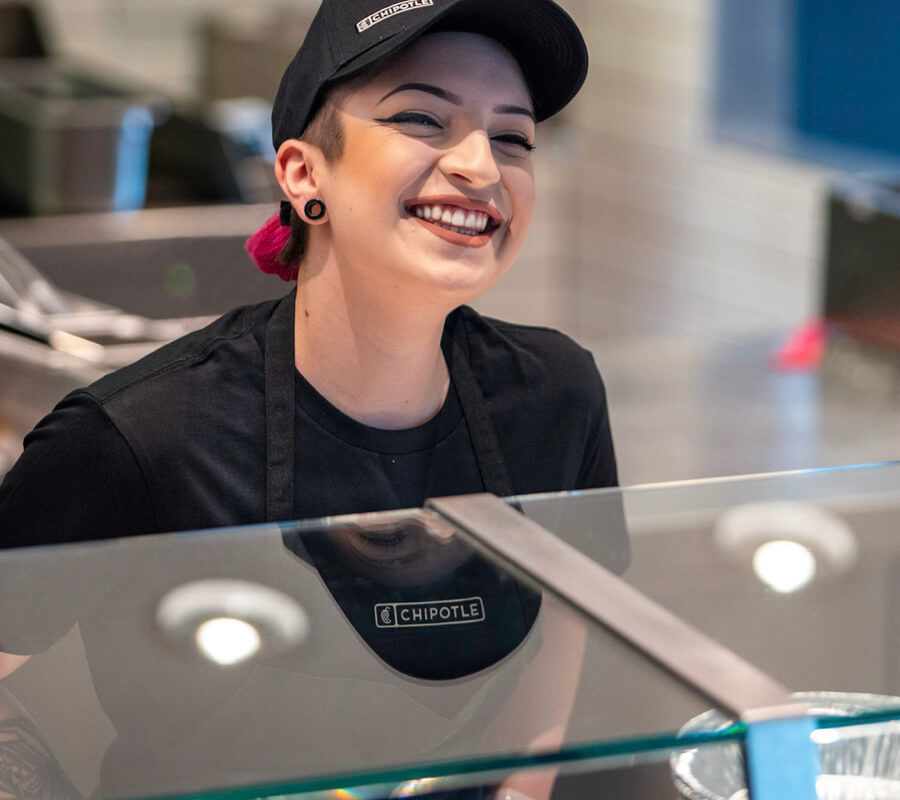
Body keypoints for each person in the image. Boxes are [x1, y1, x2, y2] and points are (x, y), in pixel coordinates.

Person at [0, 0, 616, 547]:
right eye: (422, 119)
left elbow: (561, 658)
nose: (482, 168)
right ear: (301, 174)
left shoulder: (558, 400)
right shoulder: (133, 441)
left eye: (513, 136)